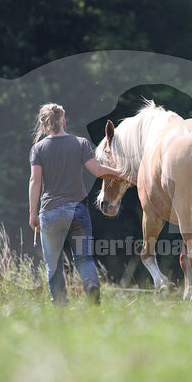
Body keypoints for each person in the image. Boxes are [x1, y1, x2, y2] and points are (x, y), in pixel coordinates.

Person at [29, 103, 121, 305]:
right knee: (84, 258)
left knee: (53, 264)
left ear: (44, 124)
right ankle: (91, 287)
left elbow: (35, 181)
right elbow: (98, 171)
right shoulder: (80, 143)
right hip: (77, 213)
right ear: (63, 121)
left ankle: (61, 306)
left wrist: (32, 213)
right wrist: (122, 173)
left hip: (50, 213)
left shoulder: (38, 148)